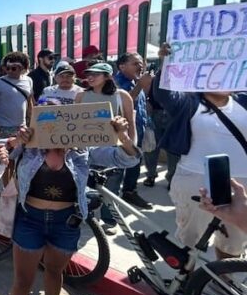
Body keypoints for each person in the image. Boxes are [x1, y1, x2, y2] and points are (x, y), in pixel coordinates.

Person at [0, 116, 140, 295]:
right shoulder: (31, 144)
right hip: (30, 220)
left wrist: (123, 136)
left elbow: (128, 159)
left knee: (55, 272)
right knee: (23, 281)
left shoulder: (83, 149)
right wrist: (16, 141)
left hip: (65, 222)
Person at [152, 42, 247, 260]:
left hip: (242, 184)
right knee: (191, 240)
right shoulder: (187, 102)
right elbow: (163, 93)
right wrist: (167, 62)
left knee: (234, 243)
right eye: (216, 73)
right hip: (196, 180)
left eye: (228, 72)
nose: (223, 78)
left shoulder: (243, 101)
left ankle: (224, 276)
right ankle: (186, 275)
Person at [74, 62, 135, 235]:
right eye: (89, 73)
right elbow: (74, 123)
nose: (90, 77)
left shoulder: (122, 96)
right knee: (85, 185)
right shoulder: (80, 96)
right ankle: (88, 216)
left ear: (108, 76)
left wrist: (130, 146)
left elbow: (130, 123)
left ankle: (109, 220)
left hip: (112, 148)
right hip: (85, 149)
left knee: (112, 186)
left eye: (96, 74)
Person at [114, 53, 153, 210]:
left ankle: (130, 191)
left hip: (138, 130)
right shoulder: (115, 83)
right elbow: (123, 104)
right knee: (118, 167)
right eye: (135, 63)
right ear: (122, 66)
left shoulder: (136, 81)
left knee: (135, 162)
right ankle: (112, 200)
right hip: (123, 134)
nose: (140, 66)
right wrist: (140, 86)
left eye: (141, 63)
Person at [0, 51, 34, 139]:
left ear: (22, 68)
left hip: (22, 128)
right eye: (7, 68)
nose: (9, 71)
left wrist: (32, 121)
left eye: (13, 68)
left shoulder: (28, 80)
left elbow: (30, 102)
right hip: (3, 128)